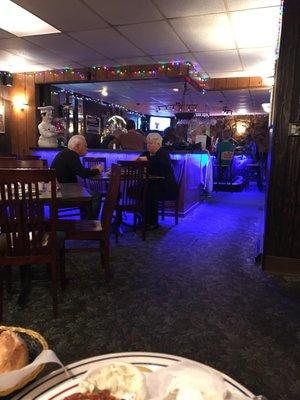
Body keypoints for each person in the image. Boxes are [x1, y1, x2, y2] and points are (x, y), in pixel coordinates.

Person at [51, 135, 103, 219]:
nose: (87, 148)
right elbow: (82, 174)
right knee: (96, 195)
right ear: (77, 146)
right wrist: (97, 170)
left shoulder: (67, 153)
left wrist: (91, 169)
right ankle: (91, 224)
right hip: (65, 191)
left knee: (87, 193)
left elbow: (79, 170)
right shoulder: (71, 154)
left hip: (61, 189)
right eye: (85, 146)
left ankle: (85, 220)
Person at [137, 132, 178, 229]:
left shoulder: (163, 153)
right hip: (151, 184)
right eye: (147, 143)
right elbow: (138, 162)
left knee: (149, 192)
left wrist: (147, 160)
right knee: (136, 190)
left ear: (159, 144)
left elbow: (159, 165)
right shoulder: (146, 153)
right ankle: (144, 219)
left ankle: (152, 222)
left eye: (151, 143)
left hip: (167, 186)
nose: (148, 145)